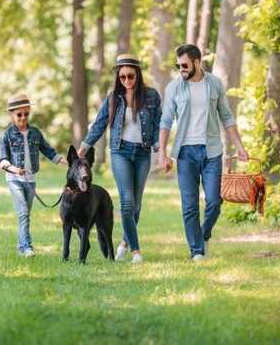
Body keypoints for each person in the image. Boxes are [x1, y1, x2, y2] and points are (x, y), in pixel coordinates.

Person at [159, 44, 248, 261]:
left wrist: (239, 145)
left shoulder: (214, 84)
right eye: (178, 65)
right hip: (185, 153)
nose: (181, 69)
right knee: (189, 204)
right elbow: (166, 120)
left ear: (197, 62)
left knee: (214, 201)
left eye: (185, 65)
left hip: (212, 151)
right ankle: (197, 251)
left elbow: (226, 116)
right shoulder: (174, 87)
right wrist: (162, 152)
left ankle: (203, 234)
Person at [78, 54, 162, 264]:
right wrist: (85, 145)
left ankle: (124, 243)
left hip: (143, 153)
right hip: (120, 152)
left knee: (136, 207)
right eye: (122, 77)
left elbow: (158, 124)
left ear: (138, 74)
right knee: (126, 203)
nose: (126, 80)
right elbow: (99, 124)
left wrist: (160, 149)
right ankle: (136, 252)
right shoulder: (113, 98)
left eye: (130, 76)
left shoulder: (151, 96)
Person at [0, 94, 67, 257]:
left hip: (31, 181)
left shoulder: (35, 133)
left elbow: (48, 150)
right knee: (23, 212)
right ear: (12, 114)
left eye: (26, 114)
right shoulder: (7, 135)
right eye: (19, 114)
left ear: (29, 112)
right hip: (14, 180)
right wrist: (15, 169)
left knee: (26, 215)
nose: (23, 118)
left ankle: (21, 246)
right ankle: (27, 247)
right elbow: (2, 160)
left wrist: (63, 160)